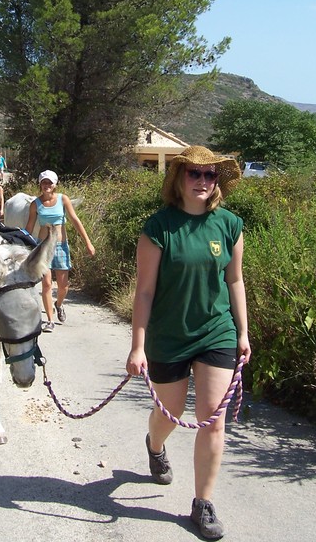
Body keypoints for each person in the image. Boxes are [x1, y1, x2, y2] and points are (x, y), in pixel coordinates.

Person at [126, 146, 251, 541]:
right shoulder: (158, 227)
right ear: (179, 178)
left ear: (217, 182)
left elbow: (234, 281)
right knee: (170, 411)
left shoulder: (229, 225)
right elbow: (144, 292)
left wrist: (243, 333)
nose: (202, 181)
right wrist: (137, 346)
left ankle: (203, 503)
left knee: (214, 418)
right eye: (194, 174)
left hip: (217, 332)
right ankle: (156, 444)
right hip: (169, 334)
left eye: (209, 175)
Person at [25, 170, 95, 332]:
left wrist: (88, 243)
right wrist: (23, 245)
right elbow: (29, 227)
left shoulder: (63, 199)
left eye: (50, 183)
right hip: (42, 246)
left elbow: (75, 221)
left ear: (55, 184)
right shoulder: (35, 204)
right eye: (44, 182)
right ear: (40, 184)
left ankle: (59, 304)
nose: (46, 185)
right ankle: (49, 320)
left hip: (61, 245)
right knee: (47, 284)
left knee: (63, 286)